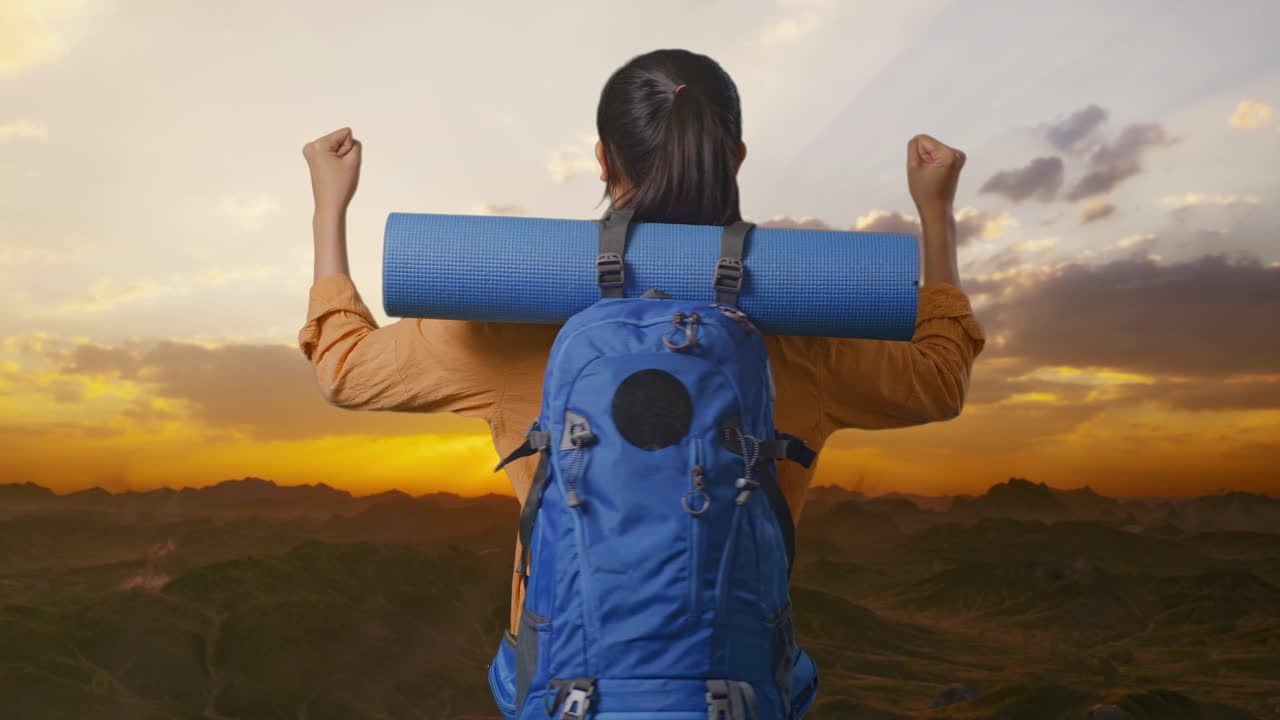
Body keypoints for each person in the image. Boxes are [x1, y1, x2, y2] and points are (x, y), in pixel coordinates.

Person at [298, 48, 985, 652]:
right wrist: (935, 214)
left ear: (602, 156)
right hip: (732, 686)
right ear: (737, 158)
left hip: (568, 680)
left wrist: (330, 205)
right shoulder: (803, 325)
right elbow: (939, 377)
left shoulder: (512, 322)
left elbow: (344, 369)